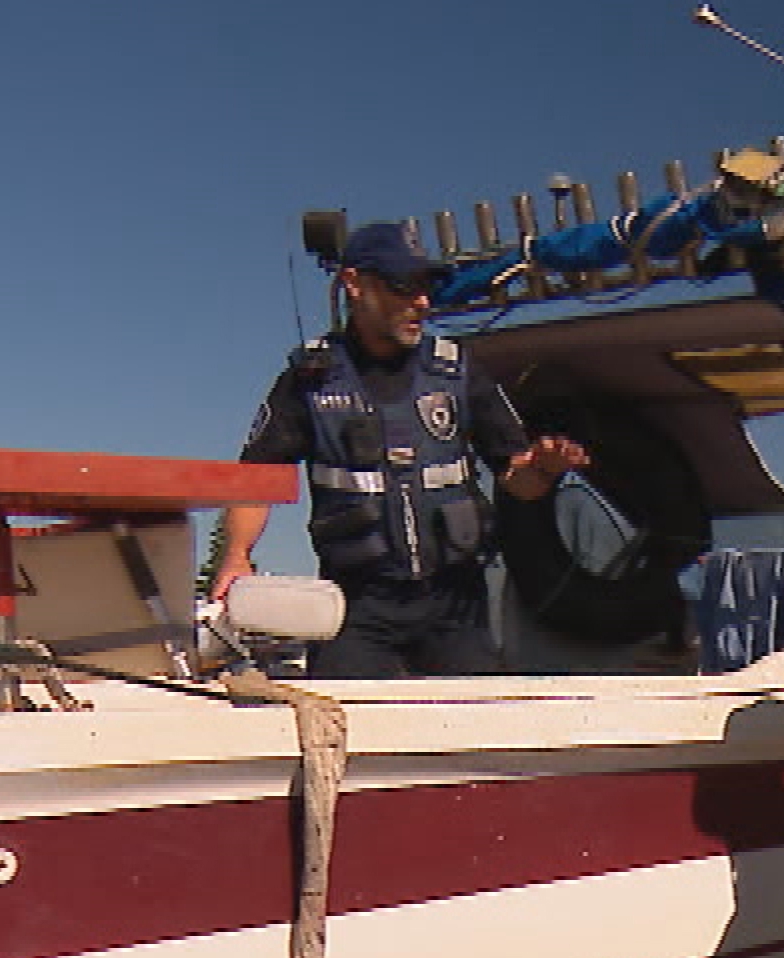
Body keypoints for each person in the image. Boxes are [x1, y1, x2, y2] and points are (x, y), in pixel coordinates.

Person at [209, 218, 590, 680]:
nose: (422, 302)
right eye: (402, 286)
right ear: (354, 283)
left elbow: (518, 479)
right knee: (351, 734)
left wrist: (545, 469)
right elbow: (256, 480)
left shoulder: (456, 371)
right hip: (355, 609)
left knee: (478, 735)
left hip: (456, 607)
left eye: (426, 286)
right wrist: (237, 556)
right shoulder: (310, 379)